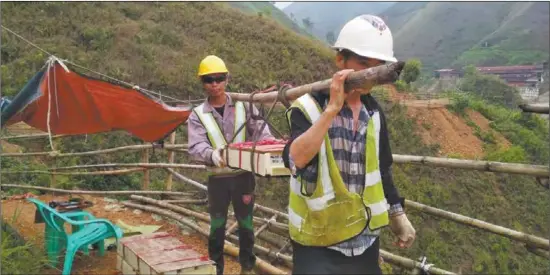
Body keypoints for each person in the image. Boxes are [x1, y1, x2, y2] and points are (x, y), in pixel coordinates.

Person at [282, 14, 416, 274]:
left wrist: (397, 214)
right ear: (340, 60)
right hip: (317, 242)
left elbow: (382, 170)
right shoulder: (308, 107)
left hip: (364, 241)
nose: (370, 74)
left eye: (378, 66)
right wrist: (331, 110)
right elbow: (295, 160)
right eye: (363, 63)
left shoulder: (374, 114)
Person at [187, 55, 274, 275]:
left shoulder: (244, 106)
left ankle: (247, 266)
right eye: (208, 79)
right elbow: (195, 145)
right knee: (217, 226)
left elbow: (262, 132)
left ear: (227, 78)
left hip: (243, 177)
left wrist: (270, 147)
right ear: (202, 82)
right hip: (218, 180)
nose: (214, 84)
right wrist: (211, 155)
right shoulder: (198, 114)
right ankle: (216, 269)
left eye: (219, 78)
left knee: (246, 225)